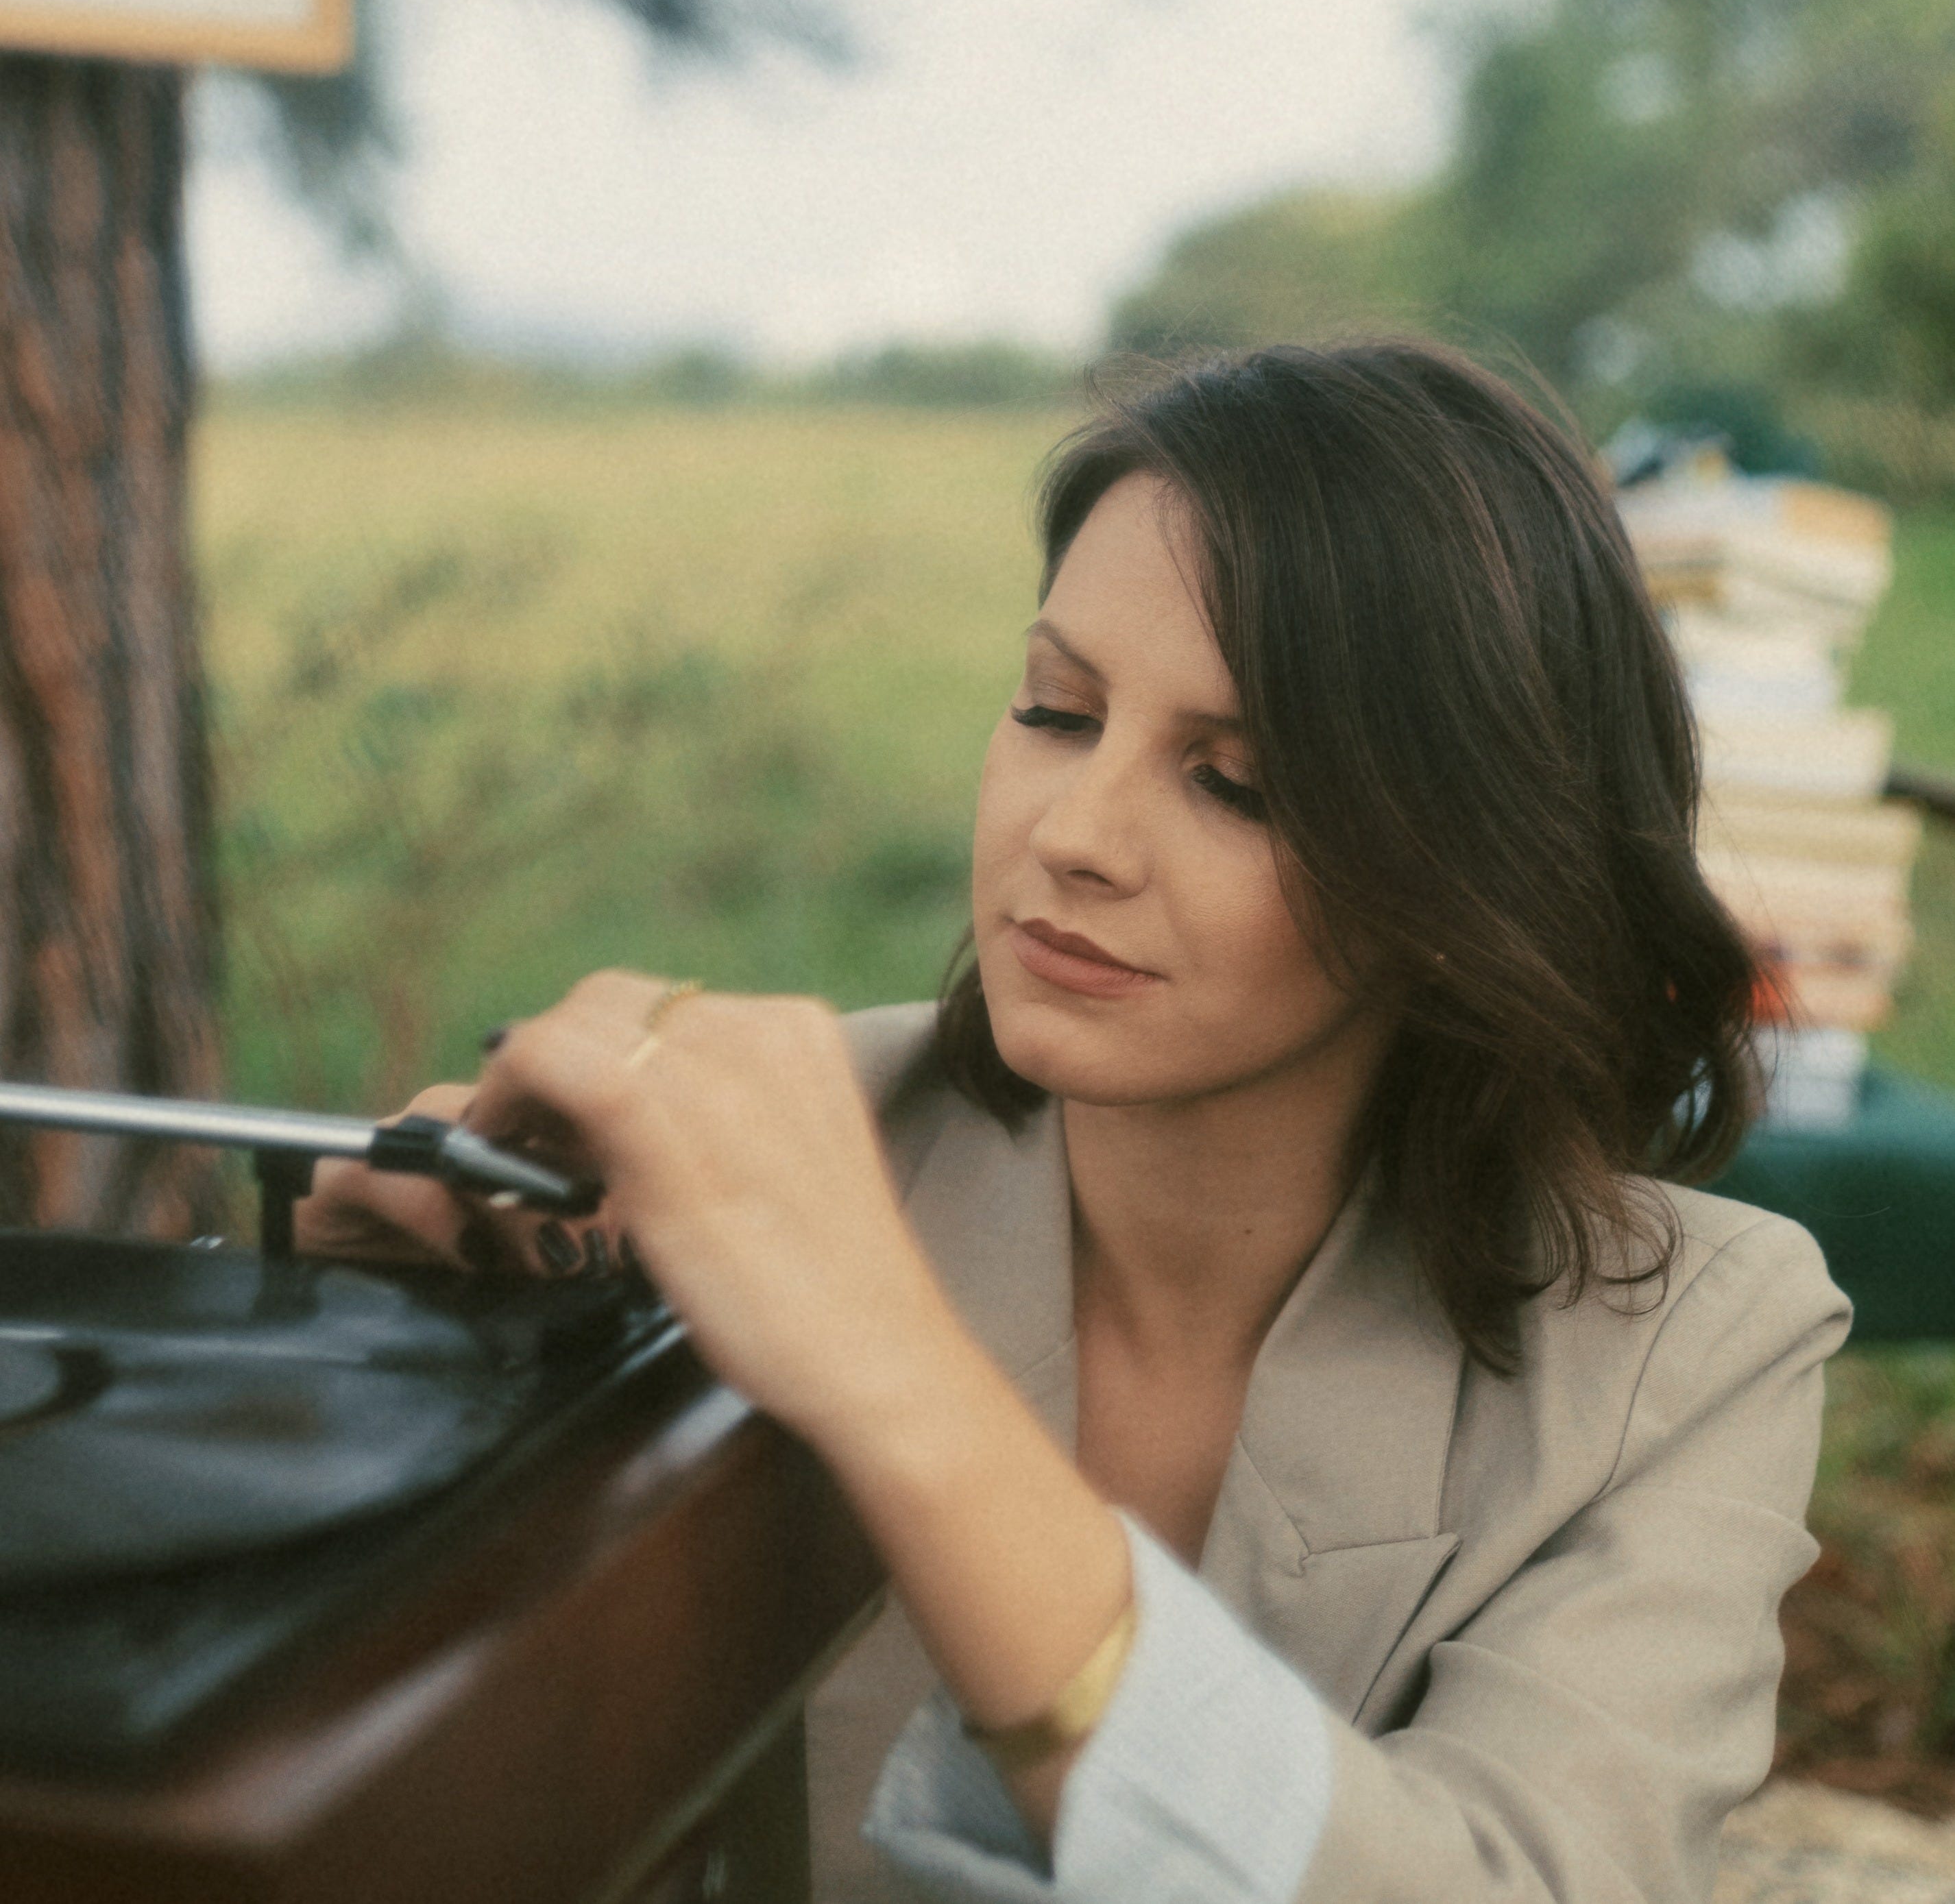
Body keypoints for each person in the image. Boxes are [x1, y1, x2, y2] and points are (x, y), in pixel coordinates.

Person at [297, 341, 1854, 1903]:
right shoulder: (750, 1156)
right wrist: (376, 1367)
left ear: (1466, 862)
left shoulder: (1696, 1346)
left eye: (1235, 781)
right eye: (1056, 709)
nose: (1075, 835)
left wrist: (889, 1370)